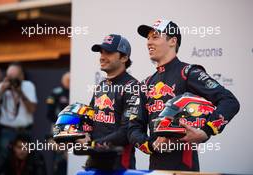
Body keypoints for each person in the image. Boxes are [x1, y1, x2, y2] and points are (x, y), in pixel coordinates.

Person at [128, 19, 240, 171]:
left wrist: (206, 131)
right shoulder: (145, 84)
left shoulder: (188, 72)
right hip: (155, 168)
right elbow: (133, 127)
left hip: (185, 168)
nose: (148, 42)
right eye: (148, 38)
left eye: (155, 37)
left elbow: (229, 102)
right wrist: (151, 145)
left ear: (173, 41)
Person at [76, 34, 139, 170]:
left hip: (118, 165)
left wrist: (93, 143)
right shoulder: (101, 85)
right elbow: (89, 118)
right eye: (101, 52)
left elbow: (127, 131)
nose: (102, 57)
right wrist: (83, 134)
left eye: (109, 52)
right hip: (94, 161)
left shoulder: (132, 86)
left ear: (124, 57)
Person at [0, 62, 37, 152]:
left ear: (22, 76)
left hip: (24, 131)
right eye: (10, 76)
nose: (13, 80)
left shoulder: (28, 86)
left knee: (25, 158)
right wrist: (1, 91)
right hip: (7, 131)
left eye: (15, 76)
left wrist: (20, 92)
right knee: (4, 158)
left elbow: (32, 109)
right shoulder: (1, 86)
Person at [46, 71, 70, 175]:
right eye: (67, 80)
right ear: (63, 81)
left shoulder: (78, 90)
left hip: (76, 130)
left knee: (70, 156)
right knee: (59, 155)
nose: (69, 82)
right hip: (58, 128)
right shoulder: (56, 93)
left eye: (71, 80)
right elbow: (49, 114)